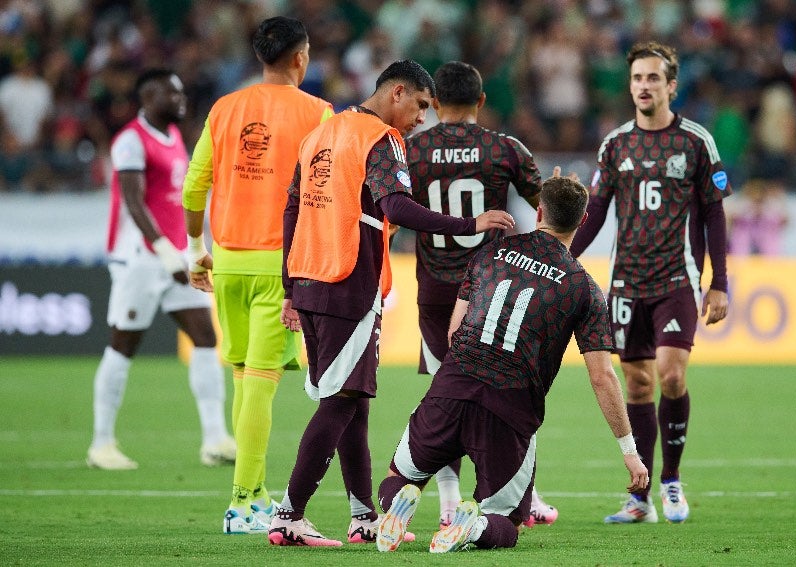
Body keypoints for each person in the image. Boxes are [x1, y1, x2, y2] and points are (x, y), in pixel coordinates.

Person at [269, 59, 515, 548]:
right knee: (341, 403)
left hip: (312, 279)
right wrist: (470, 225)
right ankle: (289, 513)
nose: (422, 117)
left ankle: (363, 516)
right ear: (397, 92)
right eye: (422, 105)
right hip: (349, 283)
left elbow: (293, 209)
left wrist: (290, 288)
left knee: (352, 402)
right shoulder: (382, 139)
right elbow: (396, 206)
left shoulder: (323, 133)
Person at [375, 174, 649, 553]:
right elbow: (602, 376)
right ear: (583, 221)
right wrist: (629, 451)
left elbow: (454, 332)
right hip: (510, 409)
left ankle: (396, 505)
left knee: (399, 476)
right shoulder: (583, 288)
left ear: (538, 211)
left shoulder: (489, 253)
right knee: (508, 521)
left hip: (452, 387)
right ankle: (472, 527)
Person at [182, 17, 333, 535]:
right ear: (299, 58)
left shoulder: (225, 108)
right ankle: (245, 500)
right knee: (261, 385)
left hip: (226, 262)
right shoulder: (318, 113)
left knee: (245, 377)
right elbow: (323, 193)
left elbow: (193, 186)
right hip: (280, 265)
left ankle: (252, 492)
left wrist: (197, 249)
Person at [569, 41, 731, 524]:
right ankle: (639, 498)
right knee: (637, 384)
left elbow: (714, 213)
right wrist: (562, 255)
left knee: (672, 374)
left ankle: (672, 481)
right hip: (626, 282)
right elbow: (596, 211)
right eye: (638, 78)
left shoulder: (696, 141)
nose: (644, 86)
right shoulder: (615, 144)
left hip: (676, 279)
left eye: (653, 78)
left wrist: (718, 281)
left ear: (671, 86)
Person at [405, 60, 557, 528]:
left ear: (433, 102)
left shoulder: (411, 148)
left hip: (434, 287)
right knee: (506, 388)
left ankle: (448, 500)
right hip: (490, 290)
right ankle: (518, 495)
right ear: (481, 100)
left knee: (444, 388)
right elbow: (549, 206)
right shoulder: (504, 148)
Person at [87, 68, 234, 471]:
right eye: (173, 92)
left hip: (176, 259)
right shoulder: (131, 140)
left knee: (205, 338)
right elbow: (134, 202)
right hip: (140, 258)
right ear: (149, 95)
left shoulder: (173, 140)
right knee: (123, 343)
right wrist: (166, 254)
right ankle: (101, 443)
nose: (182, 98)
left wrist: (188, 251)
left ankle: (215, 438)